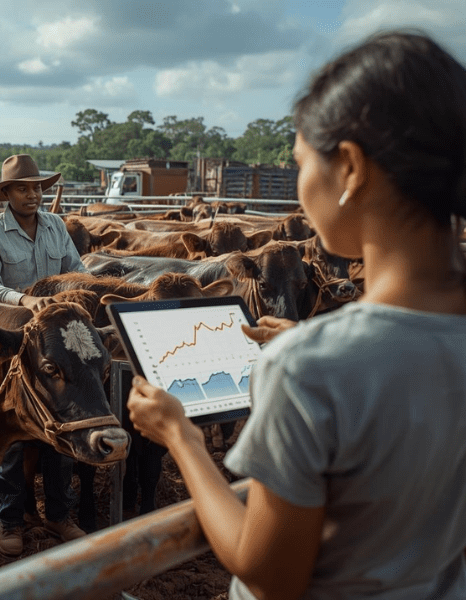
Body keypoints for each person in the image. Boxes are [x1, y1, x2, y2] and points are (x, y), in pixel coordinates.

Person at [128, 31, 466, 599]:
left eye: (300, 162)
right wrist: (315, 339)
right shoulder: (323, 356)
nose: (299, 188)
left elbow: (269, 574)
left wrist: (180, 435)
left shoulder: (309, 369)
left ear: (351, 168)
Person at [0, 154, 88, 556]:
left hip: (56, 342)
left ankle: (58, 515)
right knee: (14, 436)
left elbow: (75, 269)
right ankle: (11, 520)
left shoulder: (56, 225)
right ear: (6, 193)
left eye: (38, 187)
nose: (33, 194)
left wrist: (83, 292)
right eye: (23, 188)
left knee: (63, 425)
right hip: (14, 342)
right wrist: (24, 299)